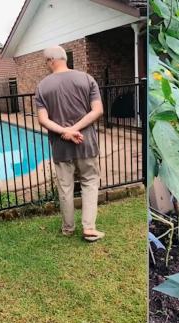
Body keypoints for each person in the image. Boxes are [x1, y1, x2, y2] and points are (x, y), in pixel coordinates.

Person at [36, 46, 105, 241]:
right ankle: (89, 228)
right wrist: (75, 129)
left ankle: (68, 228)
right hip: (87, 143)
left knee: (65, 188)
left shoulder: (42, 86)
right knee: (90, 183)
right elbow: (97, 110)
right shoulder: (86, 79)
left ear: (50, 60)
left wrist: (66, 131)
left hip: (61, 147)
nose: (46, 64)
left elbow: (43, 120)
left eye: (45, 61)